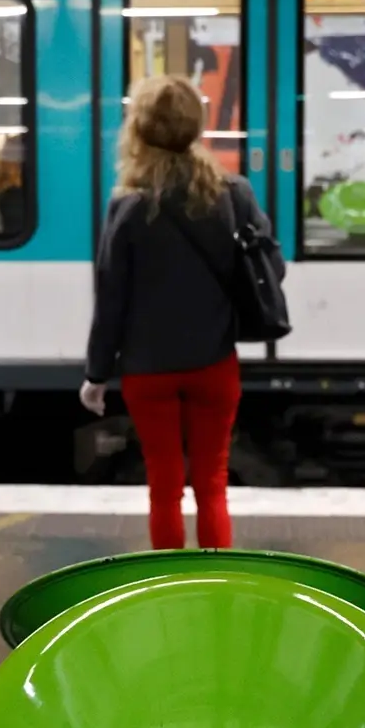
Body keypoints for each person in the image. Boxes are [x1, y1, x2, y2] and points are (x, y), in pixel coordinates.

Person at [81, 74, 281, 551]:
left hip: (148, 371)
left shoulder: (127, 206)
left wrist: (96, 374)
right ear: (196, 126)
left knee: (164, 488)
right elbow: (270, 265)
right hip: (213, 364)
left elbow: (111, 298)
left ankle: (171, 585)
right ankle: (215, 579)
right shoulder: (234, 194)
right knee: (212, 485)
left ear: (140, 131)